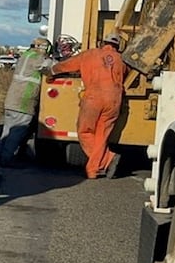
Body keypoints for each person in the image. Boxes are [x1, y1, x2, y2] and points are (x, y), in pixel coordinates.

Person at [44, 32, 126, 179]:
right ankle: (93, 169)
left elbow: (67, 66)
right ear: (117, 46)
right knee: (102, 135)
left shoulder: (90, 54)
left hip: (94, 97)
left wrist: (51, 71)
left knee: (85, 131)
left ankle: (108, 159)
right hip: (114, 99)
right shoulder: (121, 59)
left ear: (102, 43)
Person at [0, 37, 54, 167]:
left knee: (7, 131)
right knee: (16, 133)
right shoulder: (38, 58)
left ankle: (1, 158)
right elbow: (49, 67)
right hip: (23, 102)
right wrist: (52, 60)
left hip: (11, 100)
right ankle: (7, 160)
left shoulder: (25, 56)